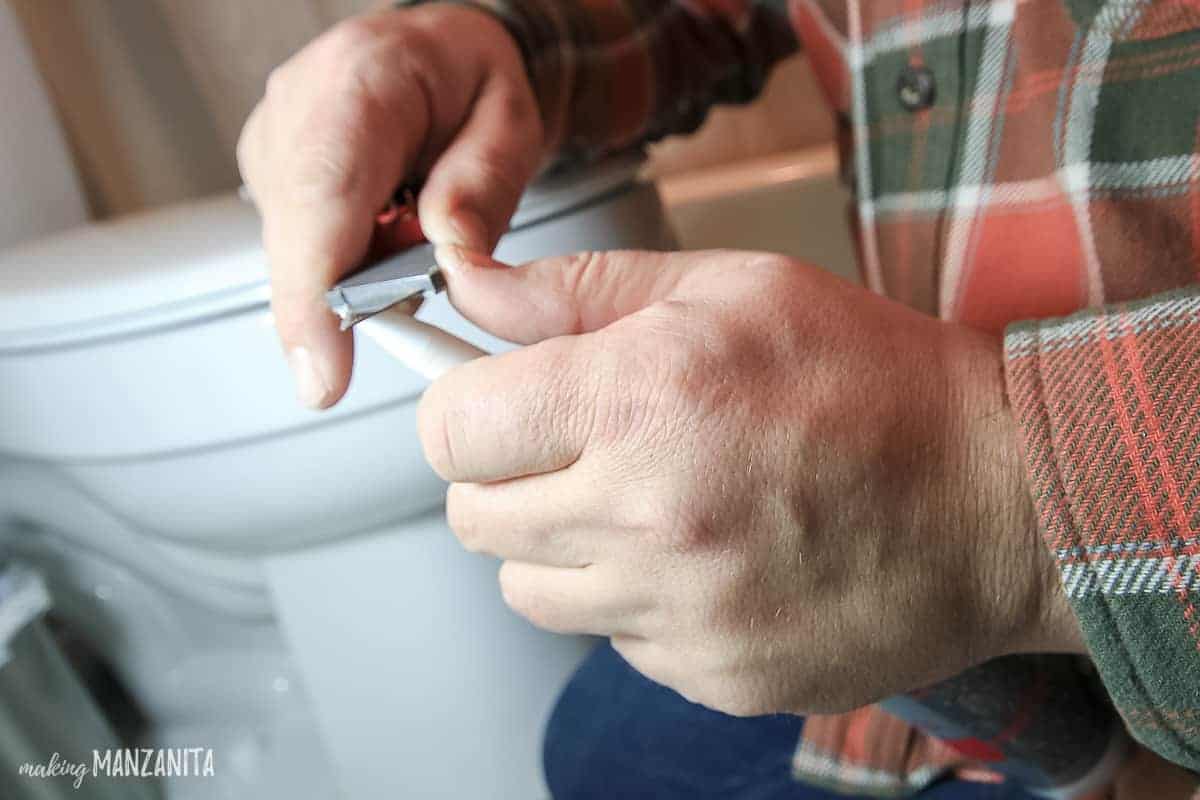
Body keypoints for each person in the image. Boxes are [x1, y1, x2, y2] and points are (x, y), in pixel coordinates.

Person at [236, 1, 1200, 796]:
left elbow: (1006, 500)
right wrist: (498, 41)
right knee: (604, 746)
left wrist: (1003, 499)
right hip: (984, 666)